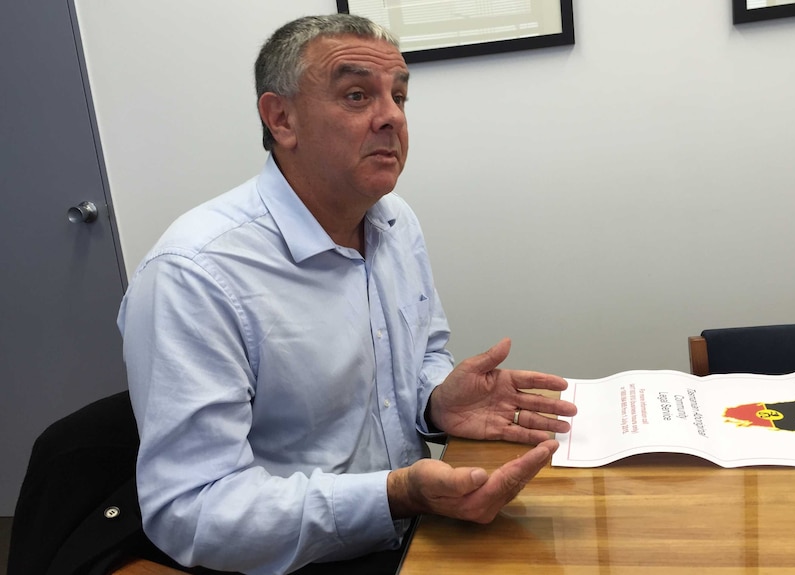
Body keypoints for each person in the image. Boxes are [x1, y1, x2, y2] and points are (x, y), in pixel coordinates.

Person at [117, 13, 577, 575]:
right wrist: (392, 495)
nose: (390, 117)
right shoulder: (195, 274)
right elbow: (191, 511)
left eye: (399, 96)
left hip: (415, 530)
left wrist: (436, 401)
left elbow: (426, 353)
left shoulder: (393, 221)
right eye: (357, 95)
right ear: (280, 118)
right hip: (297, 563)